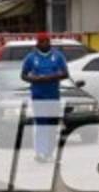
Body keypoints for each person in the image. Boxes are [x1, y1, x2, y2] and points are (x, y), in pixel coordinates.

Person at [20, 33, 69, 162]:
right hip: (38, 95)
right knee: (41, 124)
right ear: (38, 43)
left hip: (53, 95)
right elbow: (23, 75)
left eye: (47, 41)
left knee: (52, 125)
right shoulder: (31, 57)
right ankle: (40, 153)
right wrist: (34, 79)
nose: (45, 44)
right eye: (42, 42)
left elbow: (65, 74)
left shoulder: (58, 56)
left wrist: (51, 77)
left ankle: (49, 153)